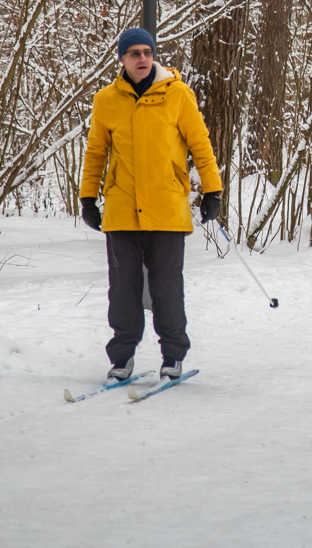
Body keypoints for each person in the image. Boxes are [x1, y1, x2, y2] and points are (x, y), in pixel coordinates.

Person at [79, 27, 222, 382]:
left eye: (147, 52)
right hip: (121, 209)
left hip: (167, 208)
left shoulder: (178, 94)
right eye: (134, 53)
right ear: (122, 60)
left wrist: (213, 191)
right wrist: (87, 197)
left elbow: (200, 145)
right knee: (122, 288)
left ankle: (173, 356)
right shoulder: (106, 100)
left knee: (167, 287)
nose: (142, 58)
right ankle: (122, 357)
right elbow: (96, 153)